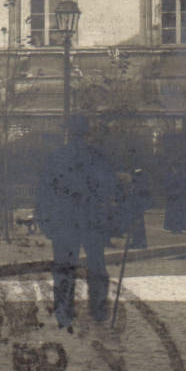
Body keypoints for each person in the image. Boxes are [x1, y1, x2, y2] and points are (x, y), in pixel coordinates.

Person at [36, 115, 119, 330]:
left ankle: (64, 313)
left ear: (68, 133)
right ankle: (98, 310)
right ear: (87, 133)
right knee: (97, 265)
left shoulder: (56, 157)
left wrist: (44, 220)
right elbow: (109, 189)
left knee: (64, 266)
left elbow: (45, 192)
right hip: (91, 220)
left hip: (64, 221)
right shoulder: (97, 157)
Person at [122, 168, 151, 250]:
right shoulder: (139, 185)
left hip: (137, 207)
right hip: (136, 207)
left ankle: (139, 243)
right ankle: (138, 242)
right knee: (136, 225)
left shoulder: (140, 186)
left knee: (138, 225)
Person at [163, 163, 186, 234]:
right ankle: (175, 228)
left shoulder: (179, 176)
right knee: (175, 213)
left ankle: (177, 228)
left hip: (177, 198)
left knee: (177, 213)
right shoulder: (176, 176)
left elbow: (184, 186)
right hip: (175, 198)